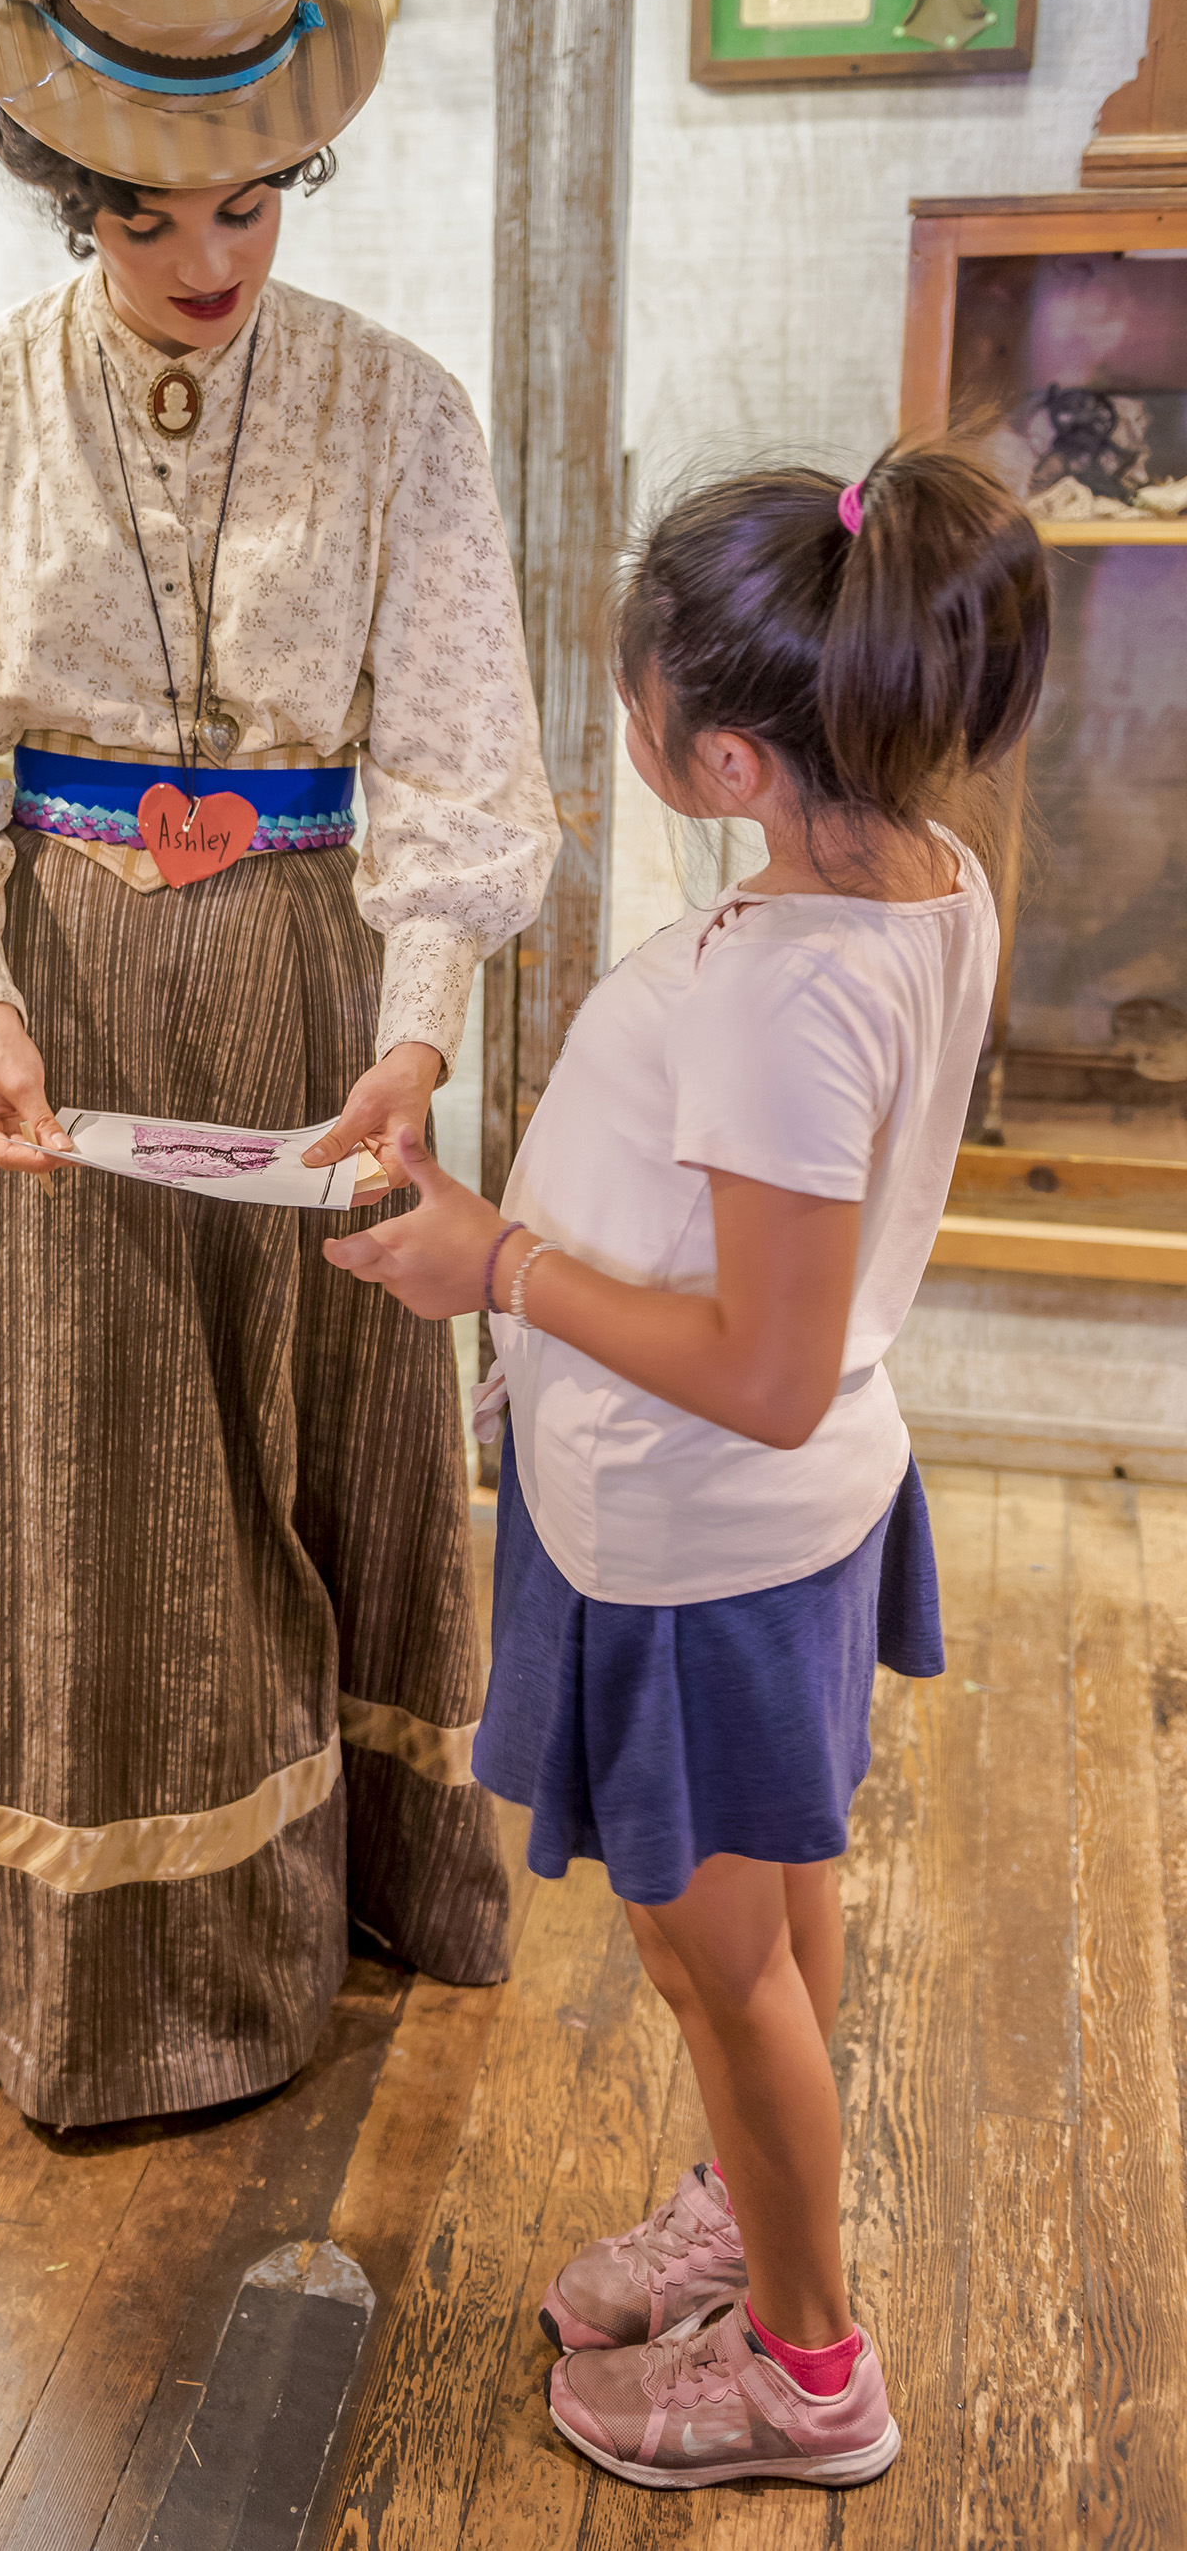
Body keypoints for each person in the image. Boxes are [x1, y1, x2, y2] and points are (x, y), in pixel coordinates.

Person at [0, 0, 559, 2128]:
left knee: (320, 1446)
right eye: (148, 211)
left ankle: (340, 1884)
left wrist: (416, 1036)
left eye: (247, 202)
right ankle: (108, 1970)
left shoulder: (402, 411)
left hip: (320, 1011)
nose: (207, 257)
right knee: (109, 1486)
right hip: (69, 1017)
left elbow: (456, 765)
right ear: (64, 182)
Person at [324, 445, 1047, 2488]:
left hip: (705, 1538)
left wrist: (495, 1261)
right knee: (772, 1914)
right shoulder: (929, 874)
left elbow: (763, 1362)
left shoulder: (789, 993)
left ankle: (810, 2374)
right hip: (754, 1529)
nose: (624, 723)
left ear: (725, 759)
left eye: (639, 701)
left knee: (714, 1963)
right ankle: (753, 2213)